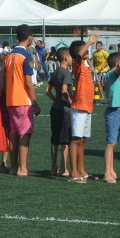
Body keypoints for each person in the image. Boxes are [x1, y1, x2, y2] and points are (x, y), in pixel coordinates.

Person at [3, 24, 41, 177]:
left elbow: (6, 79)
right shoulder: (26, 57)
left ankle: (13, 166)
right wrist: (35, 101)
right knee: (25, 133)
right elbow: (28, 82)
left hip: (10, 99)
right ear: (30, 38)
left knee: (13, 133)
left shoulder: (9, 56)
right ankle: (23, 168)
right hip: (23, 99)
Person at [67, 38, 95, 183]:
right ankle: (74, 172)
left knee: (82, 140)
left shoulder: (85, 65)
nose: (87, 49)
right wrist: (90, 42)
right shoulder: (77, 64)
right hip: (79, 107)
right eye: (84, 48)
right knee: (76, 139)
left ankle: (81, 170)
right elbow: (78, 56)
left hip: (87, 107)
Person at [46, 47, 73, 177]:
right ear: (66, 58)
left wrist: (55, 100)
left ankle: (53, 167)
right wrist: (70, 102)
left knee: (55, 138)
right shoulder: (66, 72)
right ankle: (63, 168)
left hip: (55, 108)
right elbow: (64, 90)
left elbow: (47, 90)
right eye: (71, 56)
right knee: (65, 140)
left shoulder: (55, 71)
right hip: (64, 110)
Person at [102, 51, 120, 184]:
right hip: (113, 110)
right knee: (110, 144)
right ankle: (107, 173)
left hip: (117, 110)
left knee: (113, 143)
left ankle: (111, 170)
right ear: (118, 64)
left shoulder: (114, 75)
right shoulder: (111, 74)